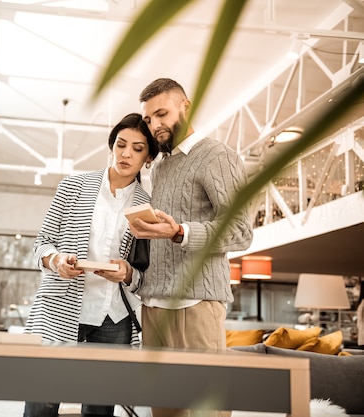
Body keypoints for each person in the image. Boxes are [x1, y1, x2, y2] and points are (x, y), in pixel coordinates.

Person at [128, 78, 254, 417]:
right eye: (149, 119)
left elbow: (241, 231)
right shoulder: (161, 165)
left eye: (162, 113)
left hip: (195, 305)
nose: (155, 125)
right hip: (154, 307)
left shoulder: (217, 156)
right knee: (164, 412)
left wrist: (180, 232)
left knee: (205, 411)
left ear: (187, 106)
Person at [23, 113, 158, 417]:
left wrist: (128, 274)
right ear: (111, 146)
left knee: (99, 409)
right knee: (41, 404)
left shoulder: (148, 205)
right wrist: (56, 260)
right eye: (121, 144)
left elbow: (146, 272)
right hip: (62, 308)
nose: (126, 154)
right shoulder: (73, 187)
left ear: (148, 157)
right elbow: (41, 242)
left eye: (137, 149)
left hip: (114, 317)